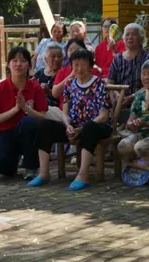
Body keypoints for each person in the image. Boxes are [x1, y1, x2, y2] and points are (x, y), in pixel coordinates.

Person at [31, 49, 112, 190]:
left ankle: (83, 175)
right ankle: (43, 173)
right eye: (76, 65)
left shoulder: (99, 84)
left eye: (83, 64)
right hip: (74, 126)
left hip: (97, 126)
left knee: (89, 128)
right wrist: (68, 125)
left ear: (90, 66)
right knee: (44, 125)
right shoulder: (69, 84)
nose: (79, 68)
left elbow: (103, 115)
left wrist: (82, 128)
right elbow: (65, 112)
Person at [0, 47, 47, 180]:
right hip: (5, 133)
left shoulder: (35, 87)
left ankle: (31, 167)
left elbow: (43, 117)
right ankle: (13, 160)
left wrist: (26, 109)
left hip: (29, 133)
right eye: (14, 60)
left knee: (27, 122)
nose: (18, 64)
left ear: (29, 65)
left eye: (23, 61)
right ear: (8, 64)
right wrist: (15, 109)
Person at [107, 23, 149, 106]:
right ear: (123, 38)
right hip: (119, 103)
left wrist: (133, 97)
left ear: (141, 39)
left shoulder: (147, 57)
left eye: (134, 34)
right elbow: (109, 82)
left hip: (141, 102)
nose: (130, 37)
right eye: (127, 34)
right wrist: (117, 94)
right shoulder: (118, 58)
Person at [33, 42, 64, 108]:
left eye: (59, 56)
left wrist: (49, 92)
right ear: (46, 58)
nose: (56, 59)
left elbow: (65, 98)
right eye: (53, 56)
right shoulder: (40, 72)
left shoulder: (64, 74)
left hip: (56, 109)